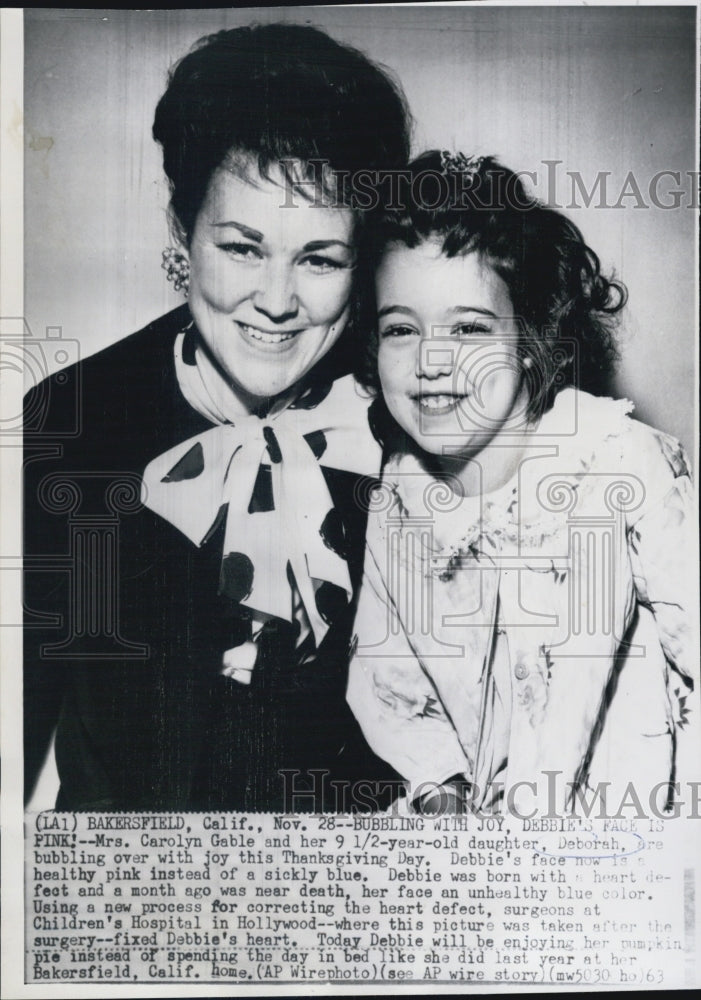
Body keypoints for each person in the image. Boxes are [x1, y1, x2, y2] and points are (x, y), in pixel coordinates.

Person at [23, 23, 411, 812]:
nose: (274, 301)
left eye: (319, 258)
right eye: (241, 247)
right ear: (182, 234)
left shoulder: (406, 429)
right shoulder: (69, 420)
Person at [347, 150, 697, 816]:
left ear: (530, 337)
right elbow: (386, 680)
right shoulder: (397, 494)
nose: (431, 360)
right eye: (399, 329)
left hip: (645, 826)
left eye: (468, 328)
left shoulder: (613, 459)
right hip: (500, 845)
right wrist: (438, 784)